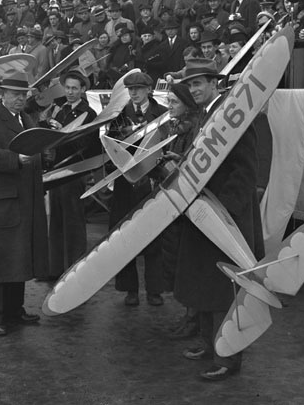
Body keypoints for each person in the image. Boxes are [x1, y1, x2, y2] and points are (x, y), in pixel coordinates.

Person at [175, 57, 263, 382]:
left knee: (225, 290)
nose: (194, 90)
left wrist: (222, 212)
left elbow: (246, 170)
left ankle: (228, 358)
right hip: (203, 214)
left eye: (198, 83)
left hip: (226, 218)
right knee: (205, 284)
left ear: (215, 83)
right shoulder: (204, 116)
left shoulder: (233, 116)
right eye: (190, 85)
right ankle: (209, 344)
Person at [0, 70, 48, 336]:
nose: (19, 99)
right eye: (15, 94)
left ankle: (15, 310)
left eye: (23, 95)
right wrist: (15, 159)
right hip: (1, 200)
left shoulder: (27, 119)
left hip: (24, 199)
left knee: (18, 257)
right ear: (2, 94)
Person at [106, 71, 167, 307]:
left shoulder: (162, 113)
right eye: (131, 89)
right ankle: (130, 289)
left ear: (149, 90)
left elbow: (167, 143)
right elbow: (110, 146)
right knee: (125, 235)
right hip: (126, 181)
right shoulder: (119, 115)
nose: (134, 93)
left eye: (138, 89)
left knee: (155, 237)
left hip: (153, 179)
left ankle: (155, 289)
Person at [41, 70, 99, 279]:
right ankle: (54, 269)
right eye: (67, 88)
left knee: (73, 222)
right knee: (56, 220)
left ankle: (75, 269)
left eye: (74, 88)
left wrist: (63, 130)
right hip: (57, 171)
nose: (70, 92)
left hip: (75, 171)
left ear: (83, 90)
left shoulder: (88, 113)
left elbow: (86, 144)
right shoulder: (61, 109)